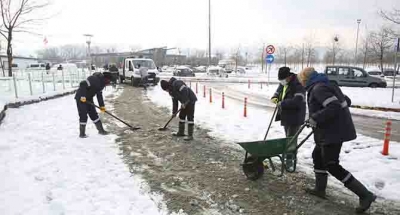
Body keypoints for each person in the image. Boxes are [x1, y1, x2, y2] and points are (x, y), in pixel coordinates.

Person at [298, 67, 376, 214]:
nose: (301, 84)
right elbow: (346, 100)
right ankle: (320, 189)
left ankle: (365, 195)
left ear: (305, 79)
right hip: (330, 131)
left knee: (332, 165)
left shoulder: (318, 89)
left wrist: (315, 117)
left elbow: (334, 107)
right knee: (317, 156)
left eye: (301, 80)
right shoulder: (327, 84)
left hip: (333, 133)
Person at [270, 67, 306, 169]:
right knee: (288, 138)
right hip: (286, 115)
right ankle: (288, 158)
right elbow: (279, 91)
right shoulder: (284, 82)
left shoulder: (298, 84)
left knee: (291, 140)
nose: (281, 82)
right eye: (280, 80)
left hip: (295, 116)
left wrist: (282, 103)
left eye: (283, 79)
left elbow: (297, 101)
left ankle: (290, 161)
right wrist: (275, 97)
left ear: (289, 77)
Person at [74, 72, 111, 138]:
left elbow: (99, 95)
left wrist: (102, 106)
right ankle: (82, 134)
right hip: (81, 98)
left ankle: (101, 130)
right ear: (106, 79)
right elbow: (83, 83)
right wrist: (82, 96)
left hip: (89, 98)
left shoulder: (101, 84)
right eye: (109, 81)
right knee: (83, 115)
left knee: (93, 114)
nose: (109, 83)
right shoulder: (94, 79)